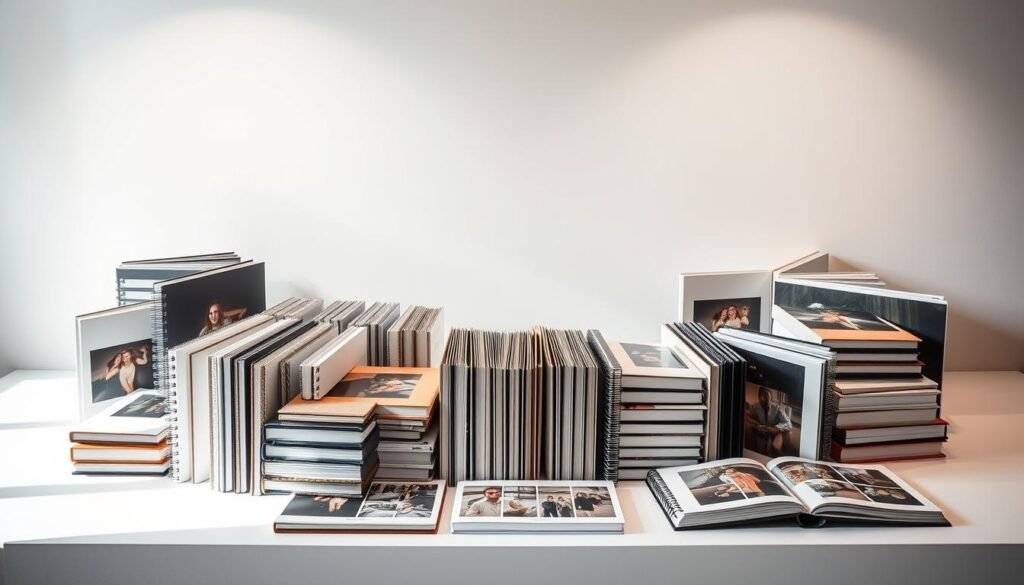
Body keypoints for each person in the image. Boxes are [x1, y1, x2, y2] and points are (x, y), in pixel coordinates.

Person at [746, 386, 792, 457]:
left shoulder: (777, 408)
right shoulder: (754, 407)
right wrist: (754, 423)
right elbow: (746, 416)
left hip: (775, 433)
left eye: (765, 395)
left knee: (775, 448)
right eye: (760, 396)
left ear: (771, 397)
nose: (762, 398)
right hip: (761, 433)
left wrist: (775, 428)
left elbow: (788, 424)